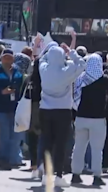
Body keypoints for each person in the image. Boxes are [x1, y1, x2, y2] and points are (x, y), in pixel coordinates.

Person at [39, 43, 86, 187]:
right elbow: (82, 64)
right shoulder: (67, 71)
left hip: (45, 110)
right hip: (63, 111)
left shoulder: (43, 70)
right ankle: (59, 175)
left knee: (46, 143)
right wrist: (70, 52)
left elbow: (41, 58)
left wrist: (50, 51)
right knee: (60, 144)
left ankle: (46, 175)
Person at [71, 53, 108, 186]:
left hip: (81, 116)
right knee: (97, 149)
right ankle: (97, 176)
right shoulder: (104, 79)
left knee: (78, 147)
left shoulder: (81, 78)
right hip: (98, 118)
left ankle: (75, 174)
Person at [0, 49, 24, 169]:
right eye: (5, 57)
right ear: (1, 58)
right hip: (0, 107)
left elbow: (21, 85)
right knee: (4, 134)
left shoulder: (17, 71)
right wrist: (1, 92)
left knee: (15, 134)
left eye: (9, 58)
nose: (7, 60)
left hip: (14, 107)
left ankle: (14, 158)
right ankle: (3, 159)